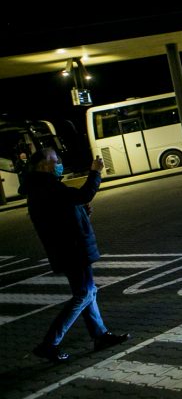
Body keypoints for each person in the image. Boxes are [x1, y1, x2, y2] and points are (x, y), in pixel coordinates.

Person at [22, 148, 129, 362]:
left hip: (68, 249)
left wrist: (81, 212)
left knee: (88, 292)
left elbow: (62, 214)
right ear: (44, 165)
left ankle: (100, 335)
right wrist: (95, 172)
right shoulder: (47, 187)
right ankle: (49, 344)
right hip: (72, 250)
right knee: (84, 293)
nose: (59, 162)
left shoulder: (42, 188)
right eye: (55, 159)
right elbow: (83, 194)